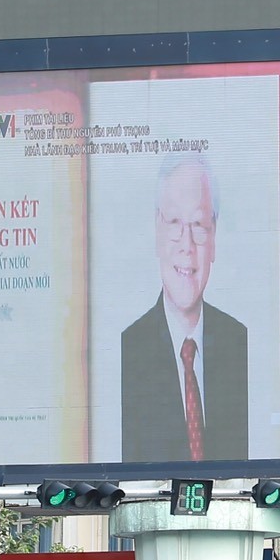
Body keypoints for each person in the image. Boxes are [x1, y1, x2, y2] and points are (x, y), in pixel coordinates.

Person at [119, 155, 250, 462]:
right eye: (175, 223)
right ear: (156, 230)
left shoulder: (240, 343)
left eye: (199, 225)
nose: (187, 245)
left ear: (214, 236)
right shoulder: (128, 351)